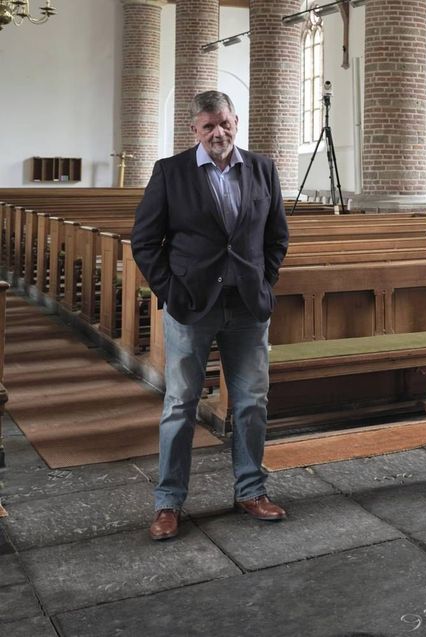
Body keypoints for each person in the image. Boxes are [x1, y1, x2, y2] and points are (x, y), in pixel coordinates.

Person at [132, 90, 290, 541]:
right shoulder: (171, 173)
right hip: (191, 307)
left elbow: (277, 235)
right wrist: (170, 291)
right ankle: (168, 502)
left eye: (223, 123)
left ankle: (250, 490)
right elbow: (145, 241)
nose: (217, 133)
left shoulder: (262, 168)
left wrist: (263, 281)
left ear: (235, 122)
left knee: (250, 403)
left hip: (247, 307)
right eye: (208, 126)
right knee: (180, 405)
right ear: (194, 130)